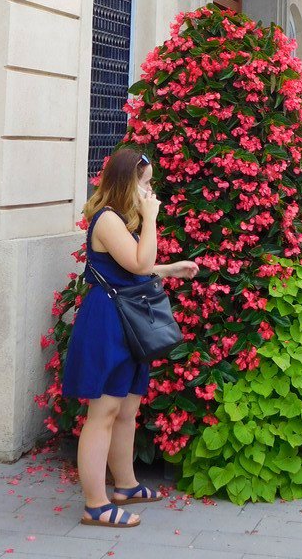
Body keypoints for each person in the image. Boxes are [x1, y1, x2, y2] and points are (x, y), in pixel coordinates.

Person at [63, 149, 199, 528]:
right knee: (103, 413)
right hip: (108, 322)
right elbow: (139, 263)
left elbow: (131, 267)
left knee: (126, 410)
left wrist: (169, 269)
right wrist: (151, 219)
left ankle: (125, 485)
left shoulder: (119, 220)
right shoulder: (107, 219)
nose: (150, 191)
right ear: (127, 183)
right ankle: (95, 505)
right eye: (145, 183)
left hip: (125, 320)